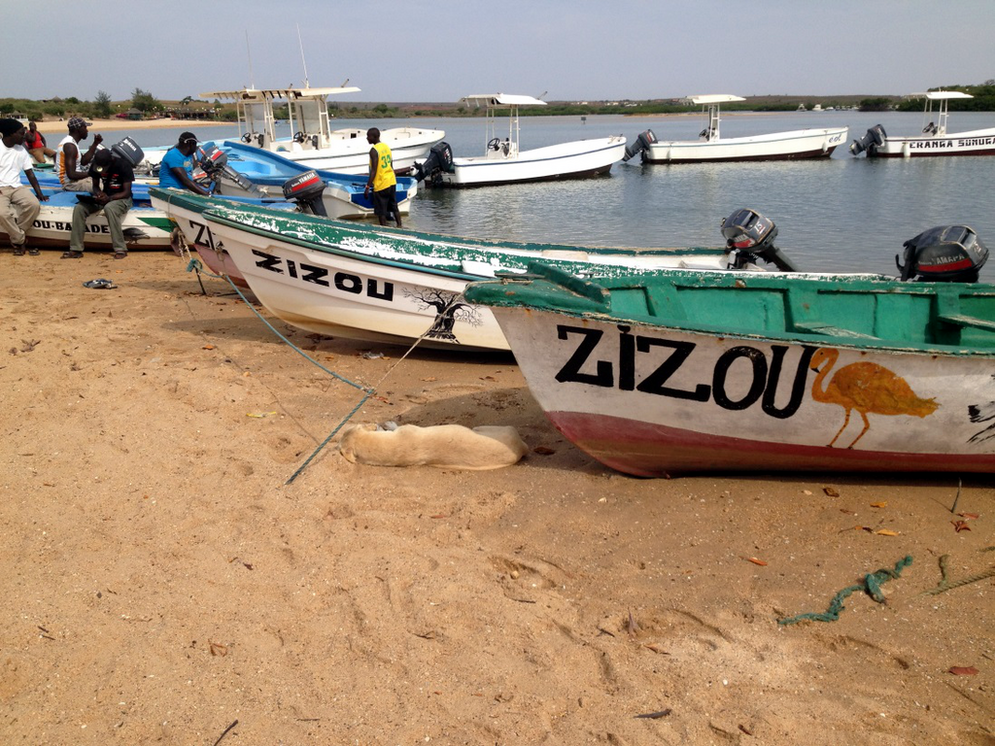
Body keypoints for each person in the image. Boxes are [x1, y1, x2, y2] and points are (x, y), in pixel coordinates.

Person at [63, 147, 134, 260]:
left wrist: (109, 198)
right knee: (79, 208)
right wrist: (99, 194)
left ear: (111, 160)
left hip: (121, 198)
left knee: (110, 208)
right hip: (105, 197)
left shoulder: (123, 165)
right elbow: (95, 186)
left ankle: (120, 248)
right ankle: (76, 249)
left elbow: (126, 192)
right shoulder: (96, 165)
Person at [0, 118, 48, 256]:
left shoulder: (21, 150)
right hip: (1, 188)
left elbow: (30, 174)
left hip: (16, 187)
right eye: (21, 133)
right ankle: (20, 241)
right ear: (10, 134)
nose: (25, 136)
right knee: (2, 213)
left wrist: (39, 193)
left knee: (33, 205)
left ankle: (17, 238)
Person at [364, 127, 401, 228]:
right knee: (394, 207)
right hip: (391, 181)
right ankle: (399, 226)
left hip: (381, 183)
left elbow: (374, 171)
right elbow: (391, 164)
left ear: (374, 137)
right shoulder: (386, 147)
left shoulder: (374, 150)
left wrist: (367, 187)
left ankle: (384, 230)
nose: (367, 138)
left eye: (368, 136)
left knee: (381, 211)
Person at [55, 116, 102, 191]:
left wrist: (95, 144)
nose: (87, 131)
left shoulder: (72, 143)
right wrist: (92, 173)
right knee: (103, 187)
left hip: (76, 181)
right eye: (85, 127)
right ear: (79, 129)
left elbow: (83, 161)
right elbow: (71, 174)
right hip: (71, 184)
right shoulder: (70, 146)